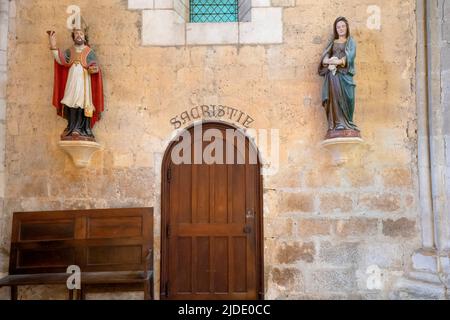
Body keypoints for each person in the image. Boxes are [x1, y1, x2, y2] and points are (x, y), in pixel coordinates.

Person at [48, 28, 104, 141]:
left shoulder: (89, 51)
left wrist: (94, 68)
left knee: (81, 102)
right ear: (73, 37)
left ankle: (81, 128)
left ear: (84, 37)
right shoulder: (70, 51)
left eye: (81, 34)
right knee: (71, 100)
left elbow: (95, 65)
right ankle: (71, 127)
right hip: (72, 80)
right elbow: (61, 60)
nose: (79, 35)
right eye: (76, 34)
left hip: (84, 80)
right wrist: (53, 45)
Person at [319, 17, 360, 139]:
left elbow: (350, 56)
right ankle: (338, 124)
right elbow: (324, 57)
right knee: (335, 99)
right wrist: (328, 61)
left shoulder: (350, 41)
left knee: (349, 98)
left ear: (347, 28)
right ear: (335, 29)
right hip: (334, 76)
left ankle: (348, 123)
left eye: (343, 26)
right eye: (338, 27)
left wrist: (338, 62)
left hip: (346, 76)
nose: (341, 29)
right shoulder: (333, 43)